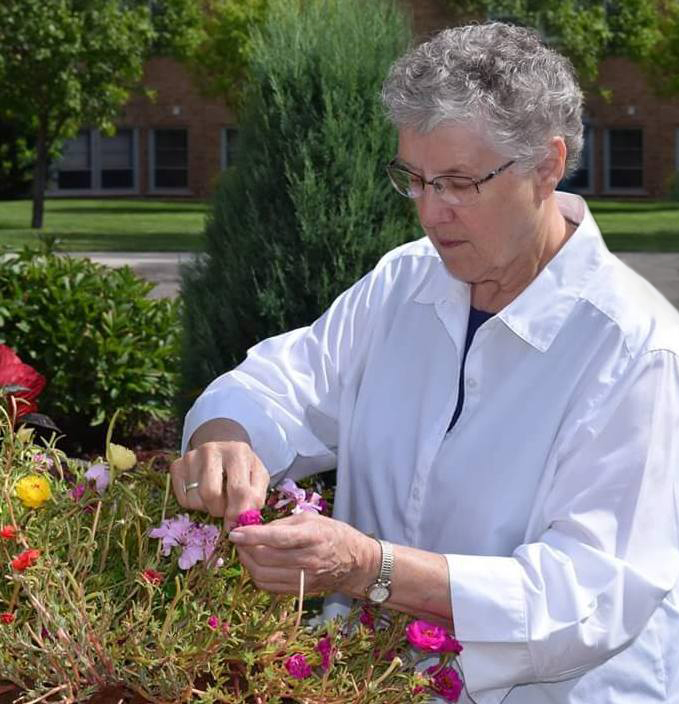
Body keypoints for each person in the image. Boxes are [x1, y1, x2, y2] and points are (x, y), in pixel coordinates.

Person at [171, 22, 679, 704]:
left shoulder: (635, 347)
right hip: (378, 683)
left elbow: (585, 597)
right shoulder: (405, 280)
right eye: (413, 179)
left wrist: (370, 569)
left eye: (460, 183)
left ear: (547, 165)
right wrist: (226, 433)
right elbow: (287, 383)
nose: (430, 212)